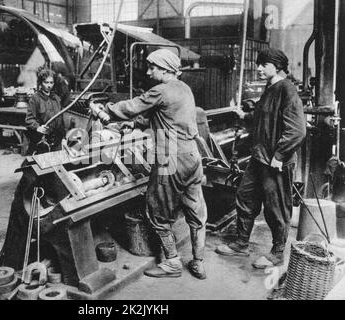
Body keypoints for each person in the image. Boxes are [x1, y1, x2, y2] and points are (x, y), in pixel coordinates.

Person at [95, 49, 208, 279]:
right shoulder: (183, 89)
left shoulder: (161, 90)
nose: (148, 72)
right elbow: (160, 114)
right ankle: (198, 262)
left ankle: (173, 264)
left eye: (152, 67)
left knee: (156, 209)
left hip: (171, 158)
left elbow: (132, 106)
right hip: (192, 157)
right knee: (196, 211)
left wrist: (105, 110)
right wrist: (135, 125)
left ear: (165, 69)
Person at [215, 48, 307, 268]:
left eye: (263, 64)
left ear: (275, 66)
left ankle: (277, 253)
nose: (258, 68)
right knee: (245, 197)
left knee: (276, 207)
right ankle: (241, 243)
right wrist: (245, 115)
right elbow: (263, 118)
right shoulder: (270, 88)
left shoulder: (287, 89)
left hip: (275, 161)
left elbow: (297, 130)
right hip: (259, 158)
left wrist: (280, 154)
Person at [25, 67, 65, 155]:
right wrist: (38, 127)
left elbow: (61, 120)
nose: (49, 85)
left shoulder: (57, 98)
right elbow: (29, 119)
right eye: (46, 82)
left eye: (51, 82)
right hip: (41, 140)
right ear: (40, 83)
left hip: (57, 140)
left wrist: (63, 136)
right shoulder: (35, 99)